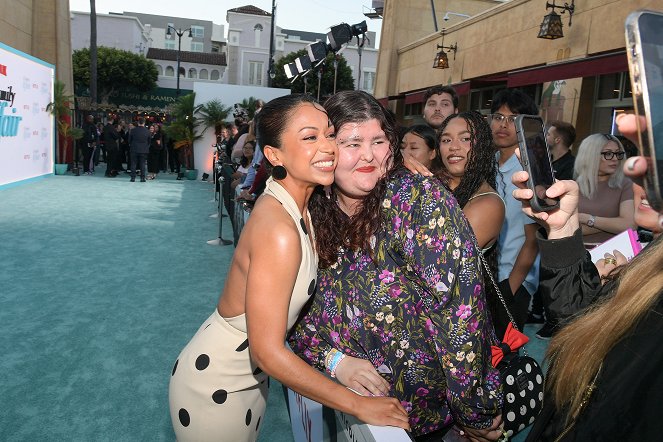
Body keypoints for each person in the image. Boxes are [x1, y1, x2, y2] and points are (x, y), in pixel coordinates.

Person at [168, 94, 410, 442]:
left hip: (243, 377)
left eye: (330, 134)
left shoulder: (297, 201)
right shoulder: (279, 229)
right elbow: (267, 352)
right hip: (218, 383)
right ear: (274, 155)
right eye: (310, 137)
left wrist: (403, 165)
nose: (328, 147)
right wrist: (359, 406)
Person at [290, 91, 503, 441]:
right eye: (352, 142)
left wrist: (473, 411)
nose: (369, 156)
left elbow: (460, 311)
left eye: (379, 140)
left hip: (427, 418)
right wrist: (333, 360)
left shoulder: (419, 201)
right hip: (340, 401)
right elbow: (284, 314)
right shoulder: (308, 208)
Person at [511, 113, 663, 441]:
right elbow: (578, 324)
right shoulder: (652, 261)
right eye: (642, 156)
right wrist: (564, 231)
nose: (639, 172)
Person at [438, 111, 506, 336]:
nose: (453, 147)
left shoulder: (488, 204)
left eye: (465, 139)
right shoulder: (434, 184)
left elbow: (439, 264)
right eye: (446, 140)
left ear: (483, 145)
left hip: (455, 324)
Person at [489, 89, 540, 334]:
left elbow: (533, 240)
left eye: (513, 119)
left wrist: (510, 289)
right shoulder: (487, 163)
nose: (503, 125)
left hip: (512, 281)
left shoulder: (528, 172)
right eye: (498, 117)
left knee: (506, 361)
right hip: (485, 279)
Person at [574, 133, 635, 246]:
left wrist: (587, 218)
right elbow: (568, 231)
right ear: (590, 155)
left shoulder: (626, 185)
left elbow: (629, 225)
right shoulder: (573, 187)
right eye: (608, 154)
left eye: (618, 153)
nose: (615, 159)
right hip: (576, 254)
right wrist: (613, 222)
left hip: (612, 256)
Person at [128, 118, 150, 183]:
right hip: (144, 149)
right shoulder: (147, 131)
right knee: (142, 164)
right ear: (144, 123)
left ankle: (133, 178)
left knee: (133, 164)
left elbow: (129, 140)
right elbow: (149, 141)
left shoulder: (133, 130)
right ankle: (142, 178)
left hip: (134, 149)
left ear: (138, 123)